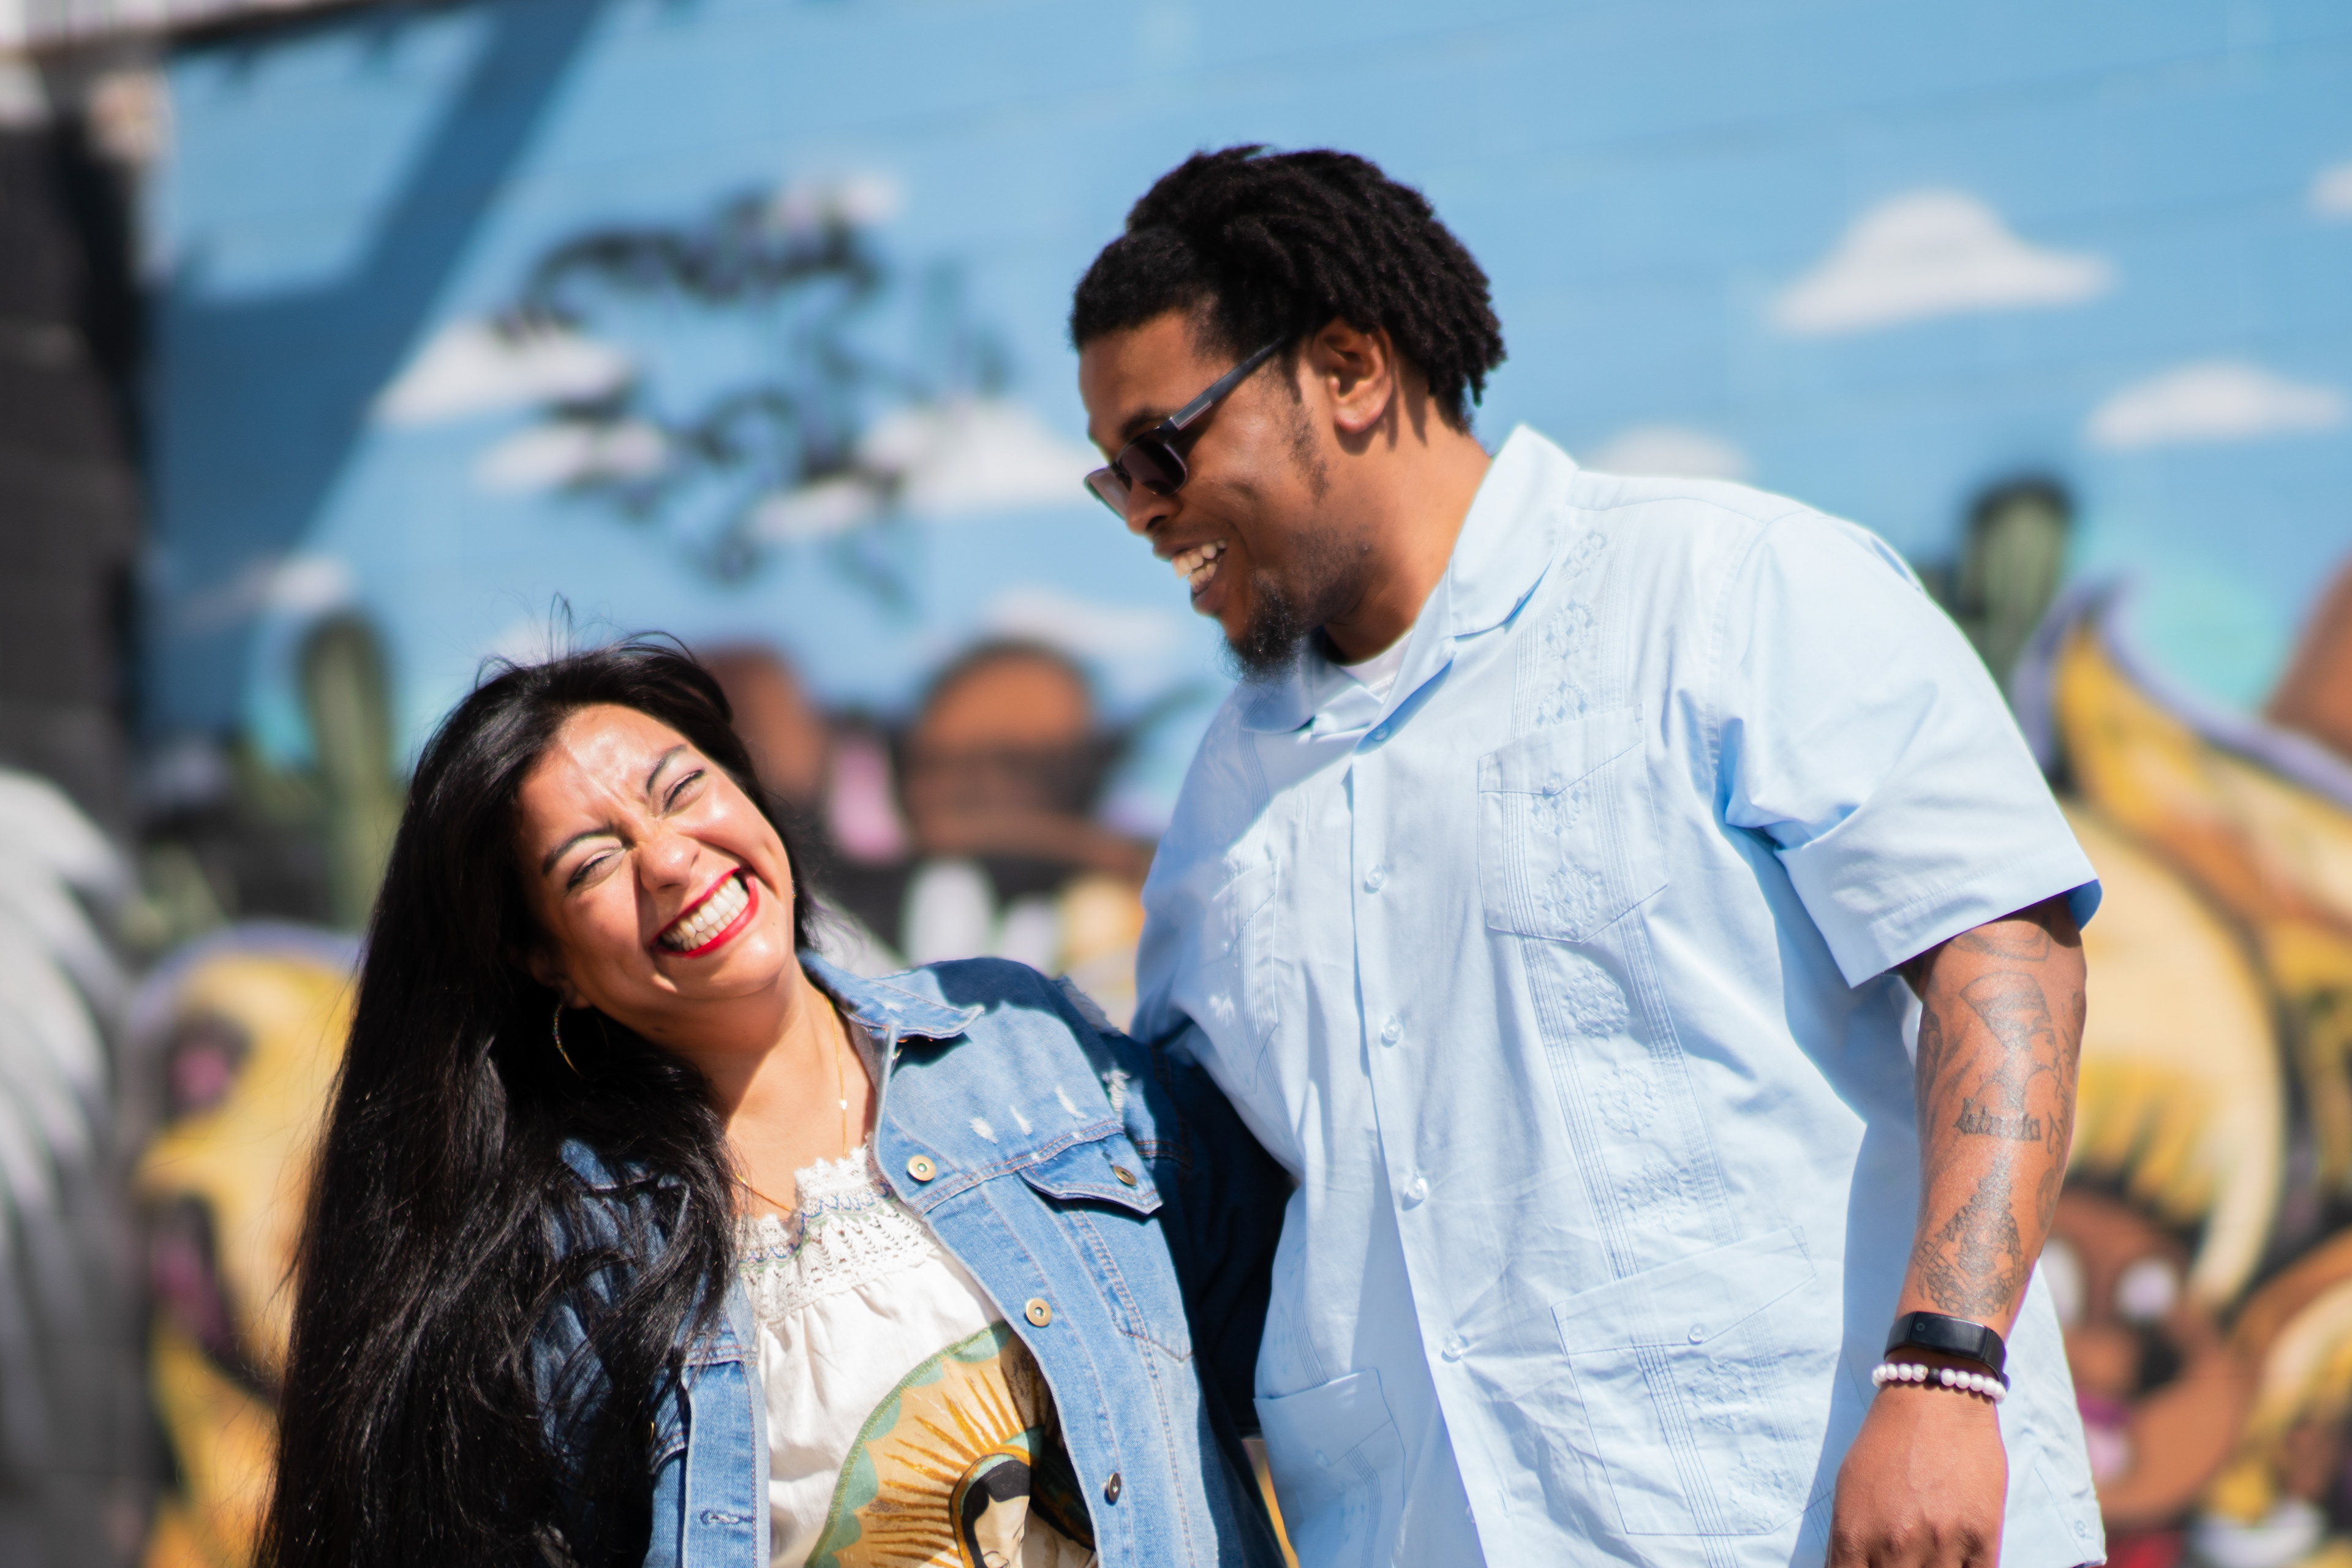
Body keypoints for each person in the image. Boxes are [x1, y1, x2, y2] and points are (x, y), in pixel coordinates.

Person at [1071, 146, 2102, 1568]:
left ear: (1350, 369)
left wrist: (1945, 1368)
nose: (1143, 508)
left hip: (1824, 1529)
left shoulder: (1729, 588)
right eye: (1111, 478)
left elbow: (2006, 951)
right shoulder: (1223, 803)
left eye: (1163, 449)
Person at [258, 639, 1287, 1568]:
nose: (670, 860)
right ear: (546, 963)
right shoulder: (561, 1261)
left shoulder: (1018, 1044)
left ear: (746, 792)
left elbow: (1307, 1344)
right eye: (594, 864)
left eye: (681, 789)